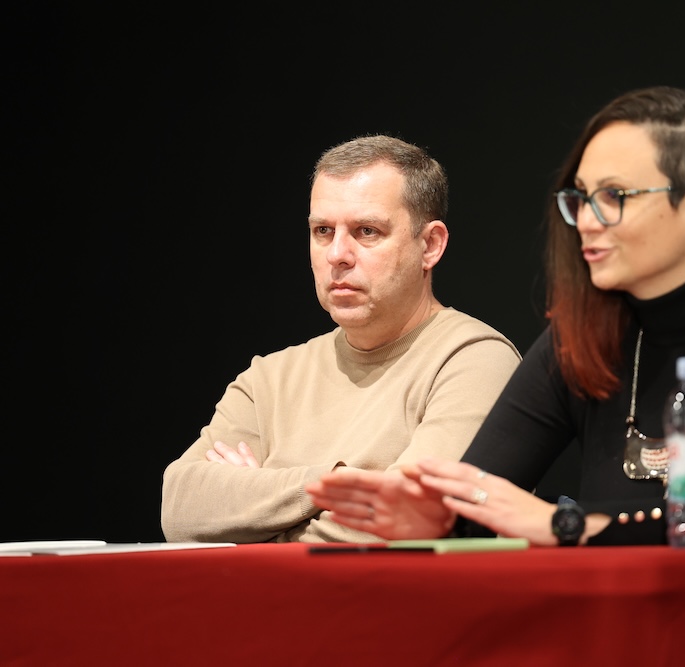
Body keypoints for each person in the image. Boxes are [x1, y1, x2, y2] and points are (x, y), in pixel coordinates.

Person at [305, 86, 685, 546]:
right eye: (581, 198)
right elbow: (479, 497)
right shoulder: (579, 338)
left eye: (614, 197)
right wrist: (436, 518)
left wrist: (569, 524)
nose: (585, 220)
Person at [160, 134, 521, 543]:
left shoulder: (474, 360)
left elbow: (405, 523)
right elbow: (180, 510)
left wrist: (256, 514)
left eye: (367, 231)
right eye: (323, 231)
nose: (337, 254)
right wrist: (327, 483)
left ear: (430, 245)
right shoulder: (269, 379)